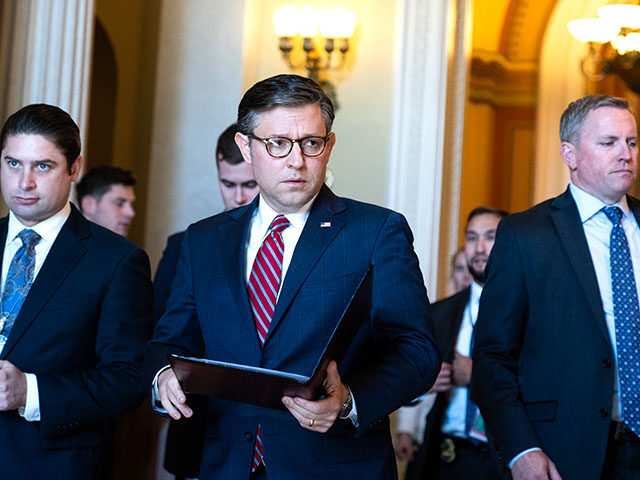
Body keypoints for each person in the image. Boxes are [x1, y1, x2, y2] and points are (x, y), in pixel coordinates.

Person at [145, 73, 440, 479]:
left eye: (311, 144)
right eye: (277, 144)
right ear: (245, 147)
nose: (297, 160)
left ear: (329, 145)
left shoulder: (376, 232)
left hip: (335, 465)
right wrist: (163, 375)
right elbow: (169, 340)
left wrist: (351, 399)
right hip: (226, 463)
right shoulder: (203, 241)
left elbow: (417, 352)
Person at [472, 94, 640, 480]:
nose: (625, 154)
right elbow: (492, 358)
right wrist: (520, 450)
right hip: (566, 452)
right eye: (609, 142)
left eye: (631, 142)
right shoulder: (525, 235)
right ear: (570, 153)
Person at [0, 103, 153, 479]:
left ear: (74, 169)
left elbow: (128, 379)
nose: (24, 183)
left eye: (43, 166)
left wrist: (30, 393)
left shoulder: (117, 260)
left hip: (49, 464)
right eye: (13, 164)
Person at [154, 123, 259, 480]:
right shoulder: (188, 244)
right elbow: (158, 332)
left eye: (249, 185)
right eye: (228, 185)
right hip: (200, 427)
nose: (238, 197)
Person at [396, 207, 508, 480]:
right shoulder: (439, 313)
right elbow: (404, 383)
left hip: (502, 459)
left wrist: (475, 374)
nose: (479, 247)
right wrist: (423, 385)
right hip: (444, 457)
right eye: (471, 238)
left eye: (490, 236)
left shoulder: (531, 311)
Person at [76, 164, 136, 237]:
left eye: (131, 204)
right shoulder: (63, 245)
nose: (130, 213)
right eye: (119, 203)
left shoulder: (130, 248)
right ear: (88, 204)